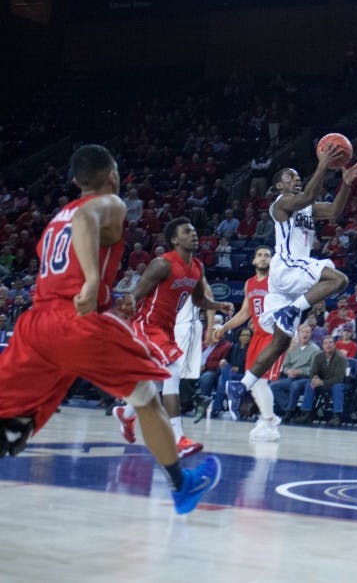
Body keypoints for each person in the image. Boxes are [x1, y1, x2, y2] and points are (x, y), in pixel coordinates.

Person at [0, 144, 220, 514]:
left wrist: (105, 293)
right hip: (75, 324)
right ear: (112, 175)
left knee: (11, 418)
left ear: (74, 180)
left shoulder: (56, 217)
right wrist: (90, 282)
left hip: (36, 325)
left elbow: (58, 260)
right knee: (147, 399)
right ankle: (183, 486)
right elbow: (86, 218)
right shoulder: (112, 203)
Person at [238, 142, 357, 442]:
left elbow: (333, 211)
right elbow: (308, 193)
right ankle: (294, 309)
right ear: (279, 185)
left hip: (287, 280)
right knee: (339, 280)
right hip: (288, 267)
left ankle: (245, 384)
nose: (295, 178)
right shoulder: (280, 203)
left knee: (280, 344)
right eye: (290, 176)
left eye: (297, 175)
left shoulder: (305, 206)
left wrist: (345, 184)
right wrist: (322, 162)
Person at [116, 216, 234, 459]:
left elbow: (199, 299)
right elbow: (135, 295)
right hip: (146, 325)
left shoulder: (197, 266)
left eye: (194, 230)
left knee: (159, 382)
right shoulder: (162, 264)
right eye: (187, 231)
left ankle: (127, 414)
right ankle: (177, 439)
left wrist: (217, 305)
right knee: (173, 372)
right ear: (174, 239)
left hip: (166, 329)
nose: (194, 234)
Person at [211, 246, 273, 421]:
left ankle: (269, 421)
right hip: (257, 336)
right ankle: (268, 420)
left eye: (267, 256)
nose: (263, 258)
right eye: (259, 255)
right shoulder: (249, 284)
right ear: (253, 260)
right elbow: (245, 313)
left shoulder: (276, 281)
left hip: (272, 335)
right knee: (255, 383)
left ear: (272, 261)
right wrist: (224, 328)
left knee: (260, 380)